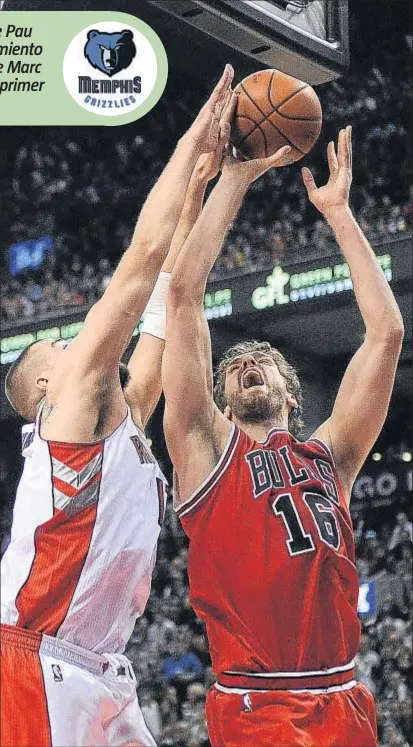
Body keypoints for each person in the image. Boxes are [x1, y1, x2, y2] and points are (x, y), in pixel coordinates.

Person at [0, 65, 235, 747]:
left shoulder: (122, 416)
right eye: (58, 345)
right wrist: (194, 140)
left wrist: (199, 194)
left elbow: (168, 305)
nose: (75, 342)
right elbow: (140, 262)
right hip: (34, 662)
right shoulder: (70, 412)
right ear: (46, 388)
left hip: (96, 669)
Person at [162, 125, 404, 746]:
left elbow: (386, 335)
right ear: (221, 399)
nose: (243, 364)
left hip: (344, 698)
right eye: (231, 366)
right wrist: (235, 180)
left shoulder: (332, 456)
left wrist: (341, 215)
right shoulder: (208, 450)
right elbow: (185, 298)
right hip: (259, 706)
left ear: (291, 391)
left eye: (260, 358)